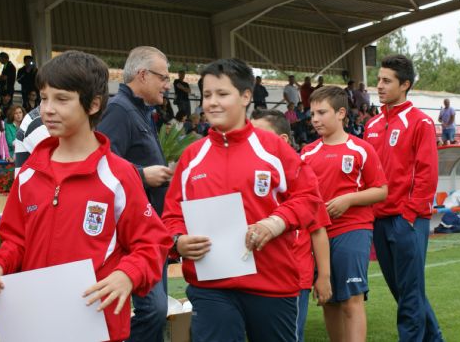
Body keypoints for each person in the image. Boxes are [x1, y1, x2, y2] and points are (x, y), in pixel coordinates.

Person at [0, 50, 172, 342]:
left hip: (97, 325)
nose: (48, 109)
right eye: (44, 98)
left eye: (62, 99)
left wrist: (127, 275)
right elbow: (16, 241)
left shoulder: (118, 175)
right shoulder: (29, 173)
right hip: (36, 324)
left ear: (93, 105)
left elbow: (152, 242)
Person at [162, 58, 322, 342]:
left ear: (246, 96)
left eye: (222, 94)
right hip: (210, 288)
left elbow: (309, 197)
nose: (212, 102)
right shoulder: (191, 156)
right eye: (207, 95)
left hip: (272, 283)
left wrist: (277, 222)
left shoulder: (273, 149)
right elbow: (172, 216)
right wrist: (177, 241)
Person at [363, 54, 444, 342]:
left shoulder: (420, 122)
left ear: (405, 84)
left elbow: (427, 174)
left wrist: (410, 215)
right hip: (379, 219)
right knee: (403, 290)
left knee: (409, 292)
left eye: (387, 81)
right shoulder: (372, 125)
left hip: (407, 219)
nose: (380, 86)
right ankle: (434, 338)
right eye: (379, 80)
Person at [97, 46, 174, 342]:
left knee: (158, 308)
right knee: (154, 309)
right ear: (142, 75)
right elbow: (102, 160)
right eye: (163, 77)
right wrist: (143, 175)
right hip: (132, 231)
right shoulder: (119, 110)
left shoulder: (140, 111)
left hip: (151, 226)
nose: (167, 84)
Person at [301, 86, 387, 342]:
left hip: (353, 229)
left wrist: (349, 199)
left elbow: (381, 190)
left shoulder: (361, 149)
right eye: (312, 113)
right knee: (327, 299)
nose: (314, 119)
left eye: (321, 112)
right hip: (317, 234)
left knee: (351, 299)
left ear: (340, 113)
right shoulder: (307, 153)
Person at [250, 108, 332, 342]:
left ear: (282, 140)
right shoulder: (250, 173)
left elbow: (318, 229)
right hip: (256, 275)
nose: (252, 142)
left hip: (294, 277)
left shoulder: (299, 175)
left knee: (290, 336)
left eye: (259, 135)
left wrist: (323, 276)